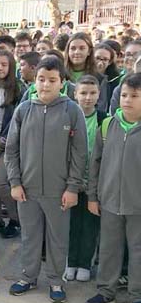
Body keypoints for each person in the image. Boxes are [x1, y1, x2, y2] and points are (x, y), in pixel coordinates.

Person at [5, 55, 87, 303]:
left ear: (62, 82)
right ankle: (28, 277)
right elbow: (11, 149)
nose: (45, 85)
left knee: (57, 239)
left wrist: (72, 187)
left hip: (58, 190)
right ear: (35, 80)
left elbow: (79, 153)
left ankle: (55, 281)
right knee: (30, 235)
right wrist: (15, 182)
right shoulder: (24, 109)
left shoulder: (72, 111)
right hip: (27, 189)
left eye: (52, 80)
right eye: (41, 79)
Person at [85, 73, 141, 303]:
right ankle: (105, 290)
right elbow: (95, 163)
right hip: (108, 201)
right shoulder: (108, 125)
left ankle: (137, 294)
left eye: (135, 96)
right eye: (125, 95)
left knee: (138, 249)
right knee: (108, 248)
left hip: (137, 204)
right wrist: (93, 196)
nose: (127, 100)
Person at [64, 75, 105, 283]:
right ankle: (70, 262)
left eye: (92, 93)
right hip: (72, 182)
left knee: (90, 225)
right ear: (74, 94)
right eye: (83, 93)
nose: (87, 98)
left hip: (93, 184)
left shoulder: (104, 120)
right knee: (71, 225)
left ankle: (85, 263)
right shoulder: (68, 117)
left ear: (99, 94)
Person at [0, 50, 25, 238]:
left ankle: (16, 219)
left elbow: (19, 117)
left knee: (0, 182)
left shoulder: (18, 89)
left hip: (6, 144)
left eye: (3, 65)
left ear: (11, 67)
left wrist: (6, 138)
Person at [64, 33, 108, 112]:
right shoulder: (59, 76)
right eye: (73, 48)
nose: (77, 52)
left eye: (82, 48)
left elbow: (101, 107)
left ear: (89, 51)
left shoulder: (99, 79)